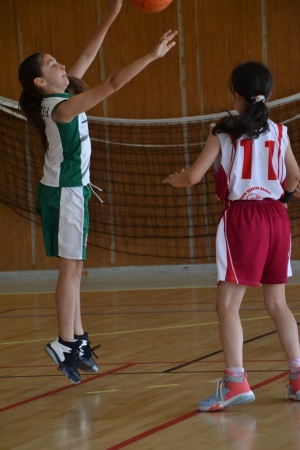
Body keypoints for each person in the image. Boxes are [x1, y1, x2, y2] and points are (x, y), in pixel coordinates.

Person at [18, 0, 177, 384]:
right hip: (66, 192)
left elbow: (88, 54)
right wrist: (152, 55)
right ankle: (64, 342)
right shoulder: (61, 108)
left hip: (73, 190)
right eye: (54, 65)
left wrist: (112, 13)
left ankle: (78, 339)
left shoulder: (60, 97)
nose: (63, 67)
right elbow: (112, 84)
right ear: (41, 82)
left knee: (75, 269)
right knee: (70, 271)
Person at [163, 61, 300, 411]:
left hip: (243, 219)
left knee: (227, 304)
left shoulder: (222, 130)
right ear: (267, 94)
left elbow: (194, 176)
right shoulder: (280, 132)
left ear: (235, 96)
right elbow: (294, 177)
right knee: (277, 303)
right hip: (277, 217)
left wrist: (176, 179)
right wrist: (282, 195)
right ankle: (298, 378)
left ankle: (236, 381)